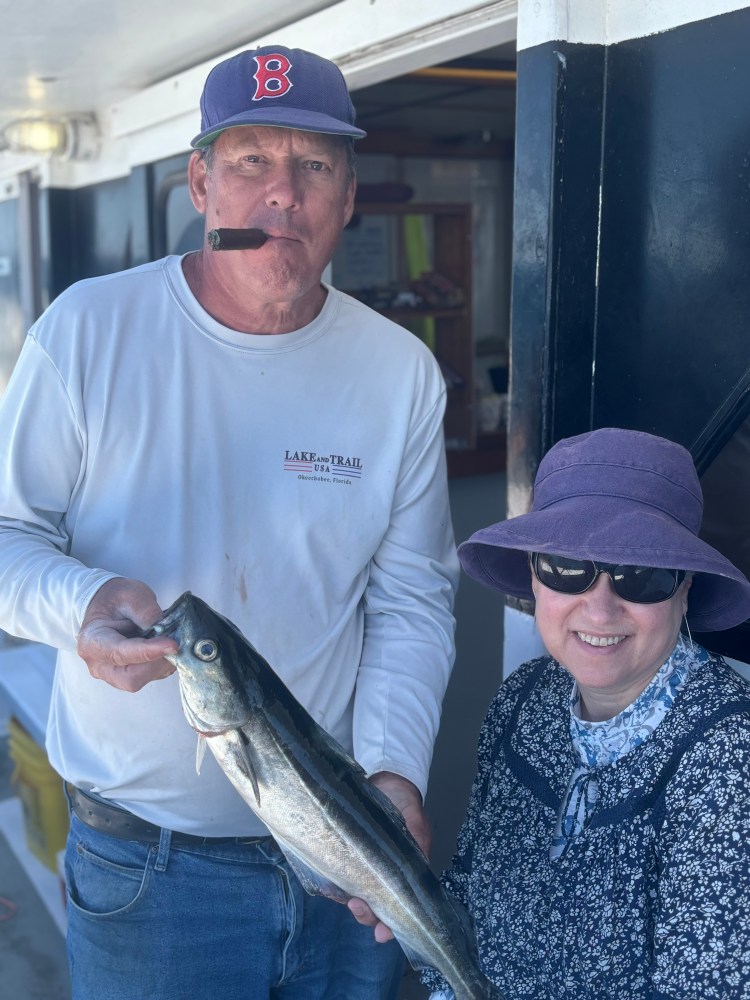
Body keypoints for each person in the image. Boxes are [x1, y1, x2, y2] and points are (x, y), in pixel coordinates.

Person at [0, 45, 459, 999]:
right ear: (201, 181)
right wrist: (82, 606)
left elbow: (413, 599)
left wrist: (395, 777)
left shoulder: (397, 371)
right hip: (149, 878)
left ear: (347, 195)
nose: (281, 194)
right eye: (251, 159)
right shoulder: (87, 333)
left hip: (345, 862)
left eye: (314, 165)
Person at [418, 427, 750, 1000]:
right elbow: (464, 893)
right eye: (568, 565)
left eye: (642, 574)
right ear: (534, 574)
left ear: (684, 589)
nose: (599, 609)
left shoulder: (727, 757)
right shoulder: (525, 698)